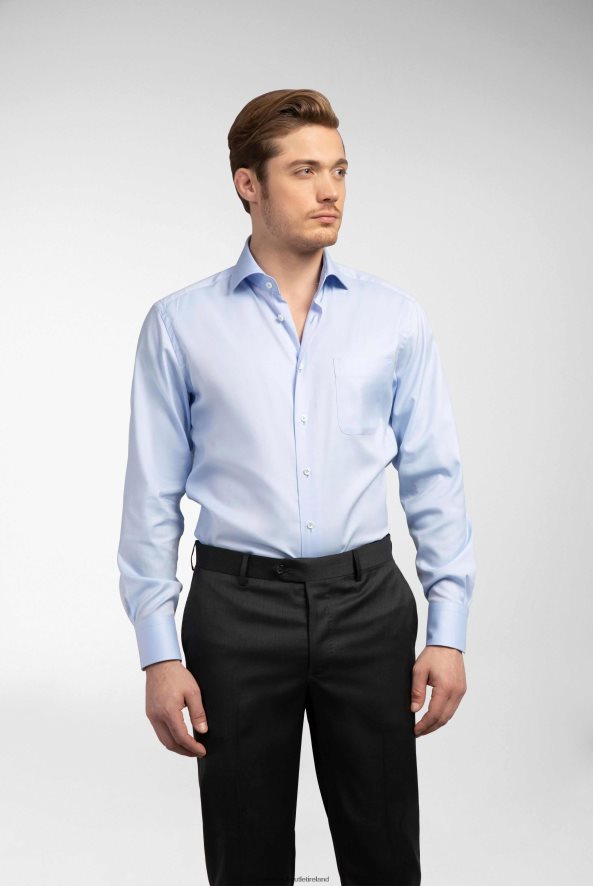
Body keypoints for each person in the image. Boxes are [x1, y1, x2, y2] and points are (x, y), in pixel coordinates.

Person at [116, 88, 476, 886]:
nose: (330, 190)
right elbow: (150, 501)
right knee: (244, 860)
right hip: (235, 613)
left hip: (367, 605)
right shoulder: (180, 325)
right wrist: (158, 653)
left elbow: (434, 480)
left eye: (339, 170)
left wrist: (447, 630)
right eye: (304, 170)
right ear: (248, 184)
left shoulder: (394, 320)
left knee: (384, 855)